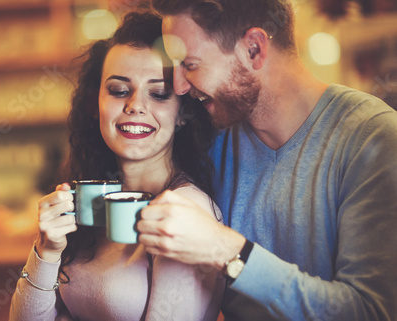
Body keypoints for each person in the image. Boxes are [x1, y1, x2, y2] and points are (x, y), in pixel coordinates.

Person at [137, 1, 397, 320]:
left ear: (254, 49)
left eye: (189, 64)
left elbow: (372, 311)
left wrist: (228, 251)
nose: (178, 86)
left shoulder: (372, 138)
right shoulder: (213, 139)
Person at [9, 9, 225, 321]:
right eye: (119, 90)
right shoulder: (88, 200)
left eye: (159, 94)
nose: (135, 105)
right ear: (94, 105)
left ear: (181, 114)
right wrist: (46, 251)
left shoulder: (186, 210)